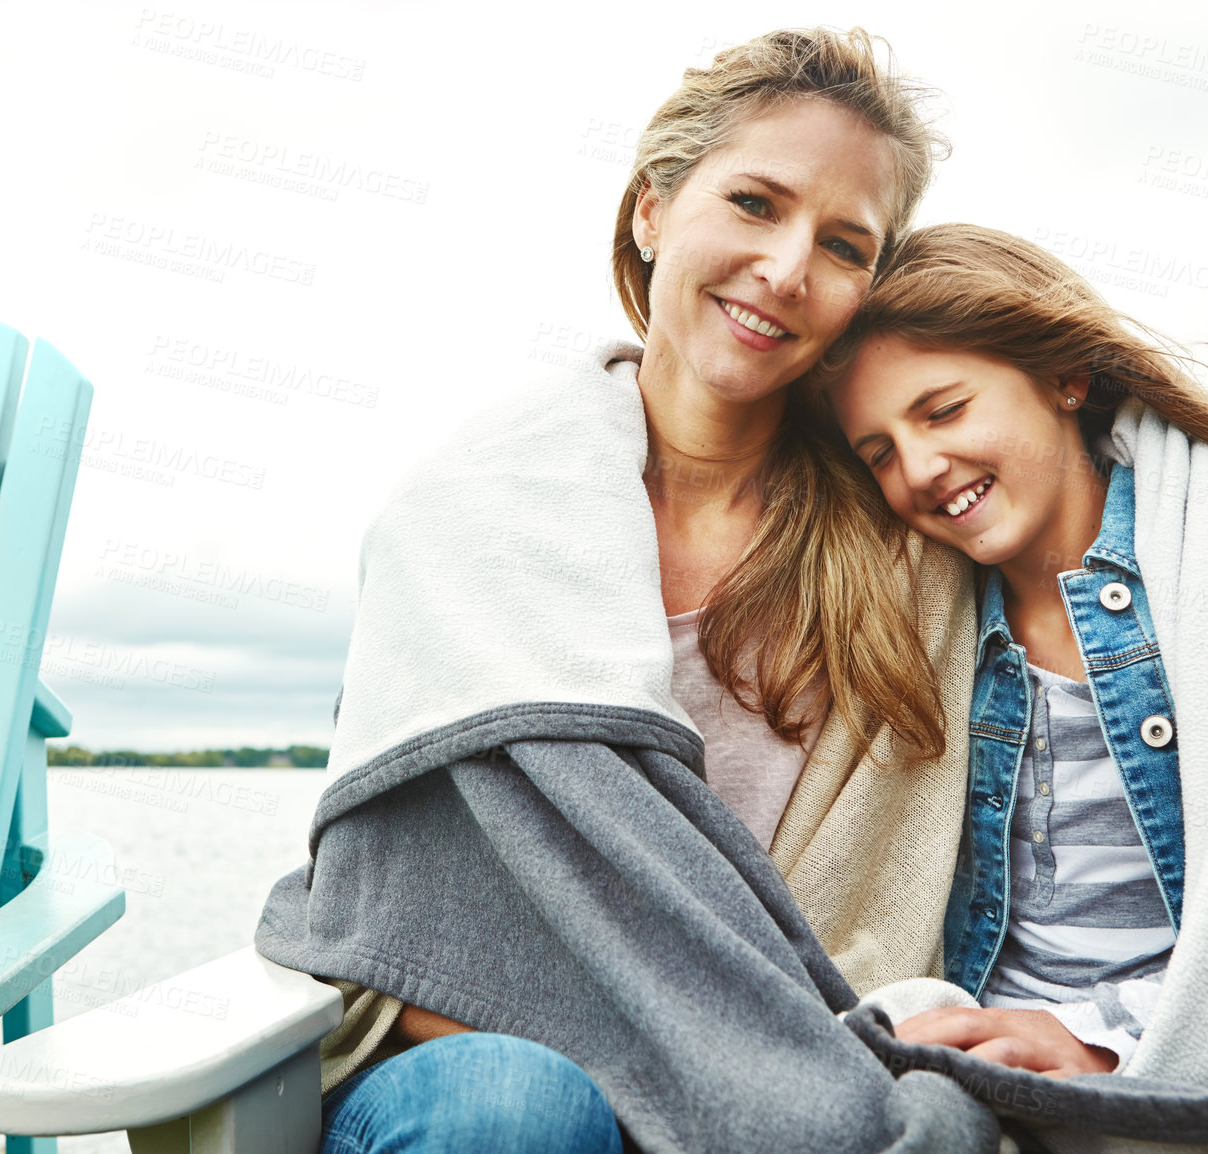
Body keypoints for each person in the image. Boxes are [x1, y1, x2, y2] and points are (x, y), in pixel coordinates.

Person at [254, 27, 1003, 1154]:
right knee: (519, 1110)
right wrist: (671, 1075)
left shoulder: (907, 565)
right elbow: (396, 919)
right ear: (653, 209)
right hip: (470, 1071)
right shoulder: (468, 517)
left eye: (845, 245)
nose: (789, 268)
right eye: (755, 202)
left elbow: (887, 938)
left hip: (789, 1069)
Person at [821, 223, 1208, 1149]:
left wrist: (1100, 1040)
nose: (918, 469)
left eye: (944, 411)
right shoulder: (917, 622)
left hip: (1172, 1062)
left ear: (1064, 380)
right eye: (877, 451)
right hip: (972, 1067)